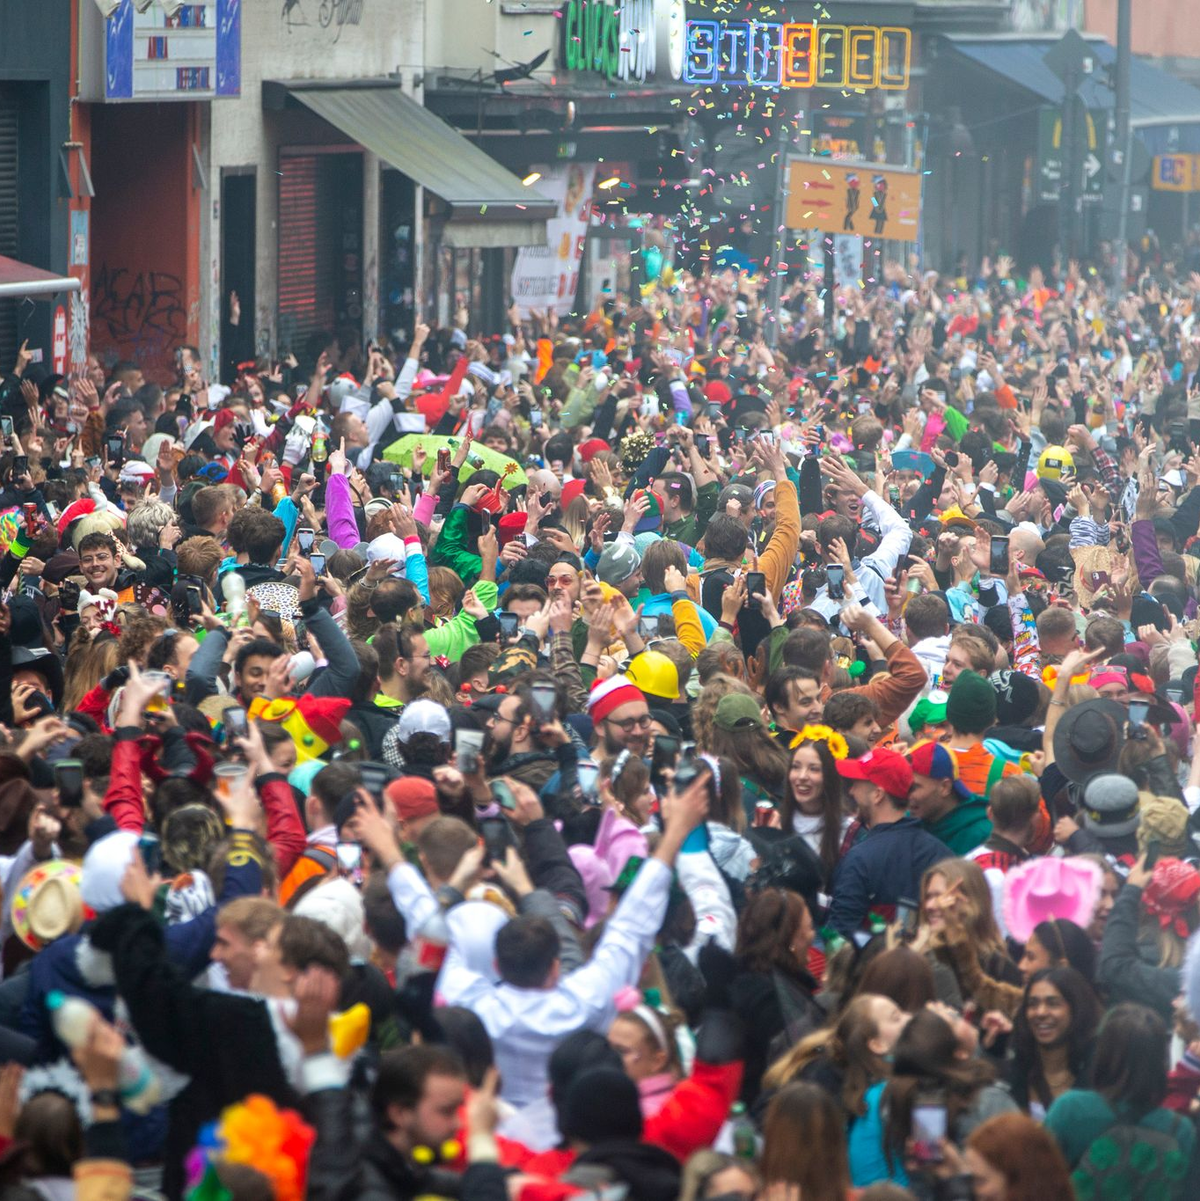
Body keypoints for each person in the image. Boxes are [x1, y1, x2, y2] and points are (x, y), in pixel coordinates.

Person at [1045, 1003, 1195, 1193]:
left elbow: (1036, 1178)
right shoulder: (1180, 1129)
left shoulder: (1071, 1108)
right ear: (1160, 1061)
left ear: (1102, 1053)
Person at [827, 747, 952, 938]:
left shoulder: (859, 859)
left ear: (878, 794)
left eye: (857, 784)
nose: (851, 791)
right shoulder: (941, 854)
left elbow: (839, 937)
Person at [1009, 966, 1101, 1119]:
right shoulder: (1015, 1072)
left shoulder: (1098, 1072)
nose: (1040, 1013)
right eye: (1033, 1004)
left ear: (1077, 1008)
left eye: (1053, 1003)